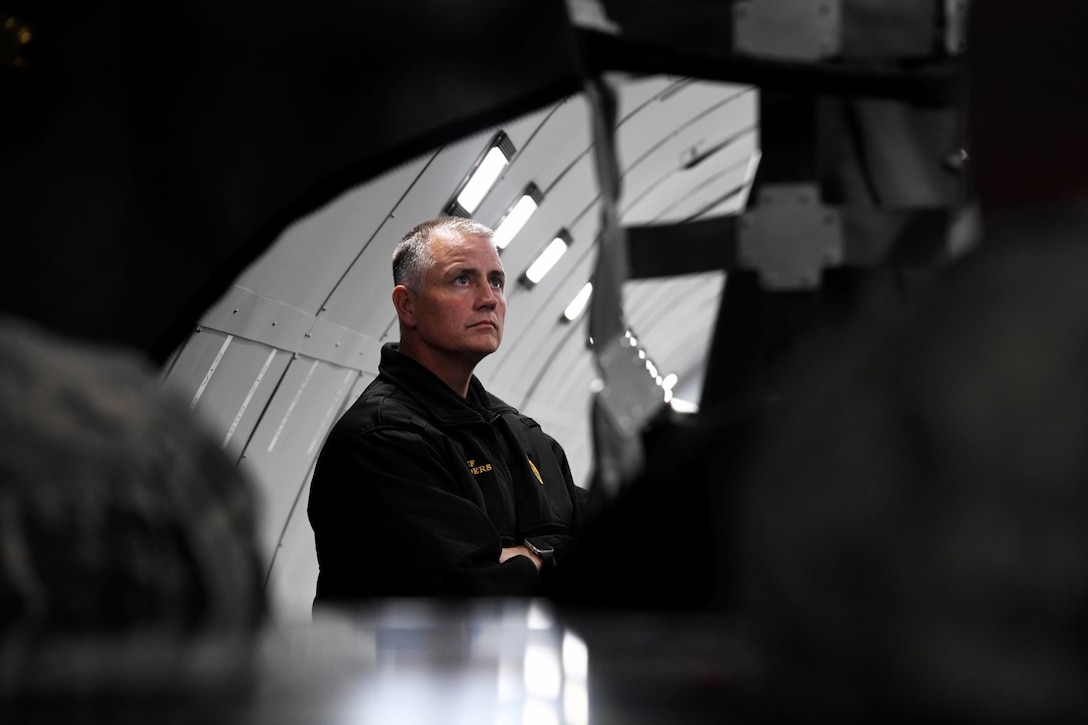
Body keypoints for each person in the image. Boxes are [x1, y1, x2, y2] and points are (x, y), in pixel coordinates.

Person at [307, 217, 587, 603]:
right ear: (407, 306)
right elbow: (479, 593)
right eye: (463, 280)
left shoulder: (521, 434)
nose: (490, 298)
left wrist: (528, 557)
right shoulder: (380, 441)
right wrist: (551, 556)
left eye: (496, 281)